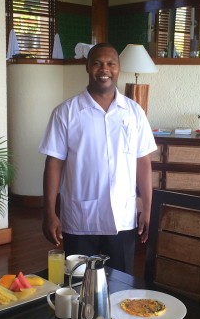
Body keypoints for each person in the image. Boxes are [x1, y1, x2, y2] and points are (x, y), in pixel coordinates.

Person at [38, 43, 157, 275]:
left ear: (119, 68)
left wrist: (148, 209)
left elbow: (143, 162)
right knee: (79, 287)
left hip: (121, 219)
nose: (104, 69)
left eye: (111, 63)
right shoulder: (66, 112)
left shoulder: (134, 113)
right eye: (97, 63)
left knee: (121, 287)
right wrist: (49, 212)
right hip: (81, 220)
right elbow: (53, 164)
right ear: (87, 67)